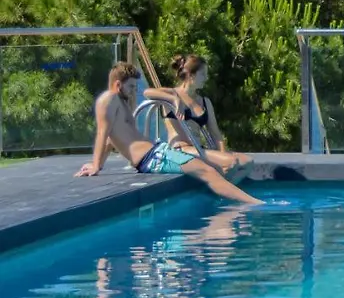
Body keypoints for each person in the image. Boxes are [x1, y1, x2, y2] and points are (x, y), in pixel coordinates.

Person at [75, 61, 264, 206]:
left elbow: (110, 140)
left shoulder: (121, 103)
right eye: (131, 87)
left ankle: (242, 200)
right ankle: (254, 204)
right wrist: (96, 166)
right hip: (152, 158)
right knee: (207, 171)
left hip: (156, 153)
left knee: (210, 170)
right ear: (118, 84)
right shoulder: (108, 100)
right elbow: (102, 133)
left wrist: (100, 164)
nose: (134, 92)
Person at [143, 54, 253, 181]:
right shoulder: (173, 94)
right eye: (203, 74)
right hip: (180, 151)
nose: (206, 78)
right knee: (231, 163)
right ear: (191, 75)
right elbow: (147, 93)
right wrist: (174, 100)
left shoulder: (204, 102)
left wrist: (222, 155)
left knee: (247, 162)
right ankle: (221, 186)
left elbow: (216, 134)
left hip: (199, 150)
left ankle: (221, 186)